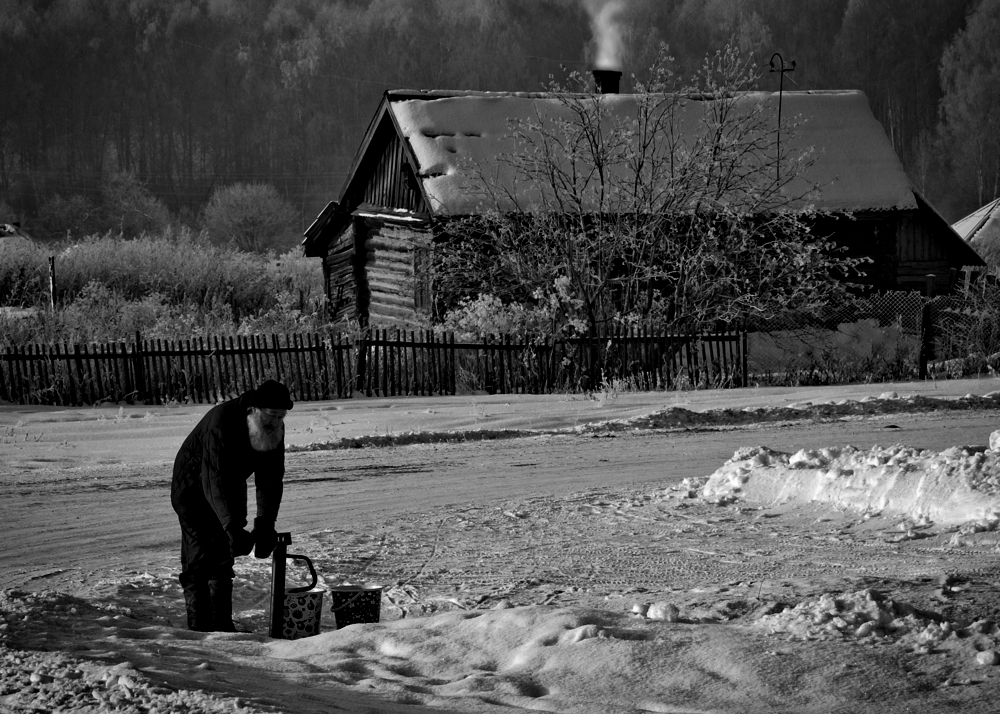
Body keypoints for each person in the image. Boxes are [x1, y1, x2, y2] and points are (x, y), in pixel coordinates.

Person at [170, 379, 293, 632]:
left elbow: (270, 479)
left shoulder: (272, 429)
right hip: (192, 490)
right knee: (199, 558)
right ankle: (199, 627)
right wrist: (232, 526)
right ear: (254, 409)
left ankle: (222, 626)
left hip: (229, 488)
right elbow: (213, 478)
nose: (276, 422)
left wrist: (265, 523)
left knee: (223, 558)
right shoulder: (221, 420)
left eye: (281, 416)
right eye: (272, 415)